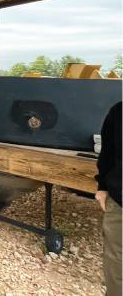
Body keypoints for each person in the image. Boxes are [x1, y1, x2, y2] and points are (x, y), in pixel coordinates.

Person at [95, 101, 121, 296]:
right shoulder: (119, 111)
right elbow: (108, 153)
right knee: (117, 263)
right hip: (120, 200)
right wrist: (102, 186)